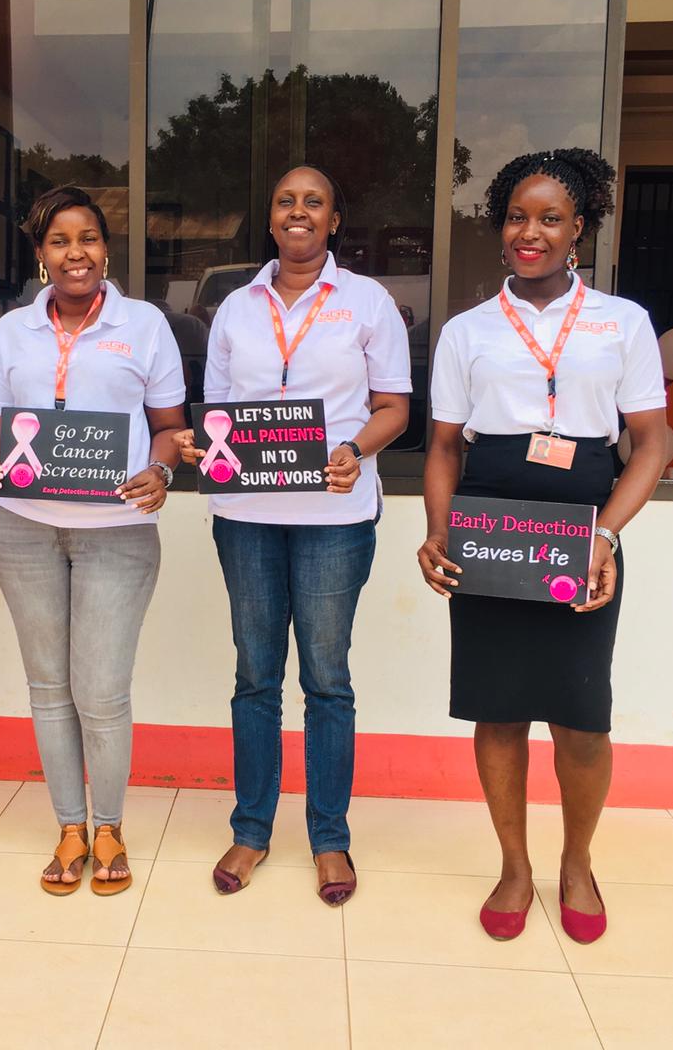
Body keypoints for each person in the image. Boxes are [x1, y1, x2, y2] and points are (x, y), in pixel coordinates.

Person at [417, 148, 667, 944]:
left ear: (578, 229)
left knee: (581, 716)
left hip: (584, 529)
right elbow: (446, 448)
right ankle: (516, 865)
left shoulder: (621, 323)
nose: (531, 232)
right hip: (491, 526)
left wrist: (604, 536)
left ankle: (578, 862)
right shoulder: (468, 331)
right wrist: (436, 530)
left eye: (550, 218)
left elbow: (653, 443)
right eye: (518, 217)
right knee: (498, 710)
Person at [176, 166, 411, 905]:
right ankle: (251, 830)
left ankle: (329, 838)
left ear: (334, 221)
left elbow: (394, 408)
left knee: (327, 681)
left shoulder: (369, 303)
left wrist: (355, 452)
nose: (299, 211)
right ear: (271, 218)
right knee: (255, 676)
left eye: (314, 201)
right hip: (245, 516)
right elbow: (218, 413)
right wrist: (196, 447)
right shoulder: (236, 308)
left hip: (334, 519)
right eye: (285, 200)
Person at [0, 186, 185, 896]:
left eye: (86, 238)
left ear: (106, 249)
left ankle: (111, 824)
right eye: (59, 241)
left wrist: (161, 469)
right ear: (40, 256)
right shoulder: (10, 331)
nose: (75, 253)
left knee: (101, 690)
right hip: (23, 529)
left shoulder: (144, 324)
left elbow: (170, 426)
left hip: (116, 531)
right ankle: (68, 825)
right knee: (50, 688)